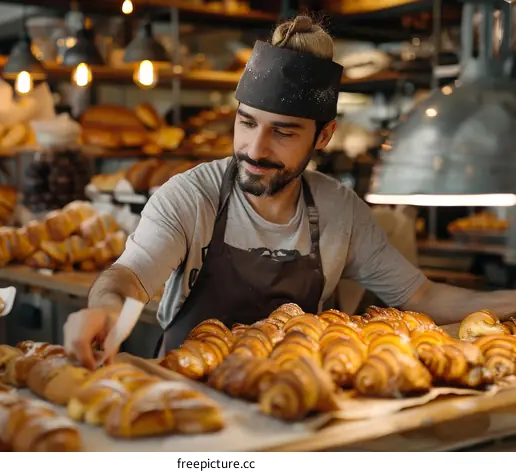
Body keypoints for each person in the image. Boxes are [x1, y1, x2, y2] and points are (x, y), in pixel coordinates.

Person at [64, 15, 516, 368]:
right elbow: (127, 278)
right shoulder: (191, 196)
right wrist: (104, 311)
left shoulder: (341, 211)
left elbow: (420, 297)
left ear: (323, 137)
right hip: (190, 398)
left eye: (283, 132)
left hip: (292, 404)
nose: (255, 149)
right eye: (246, 123)